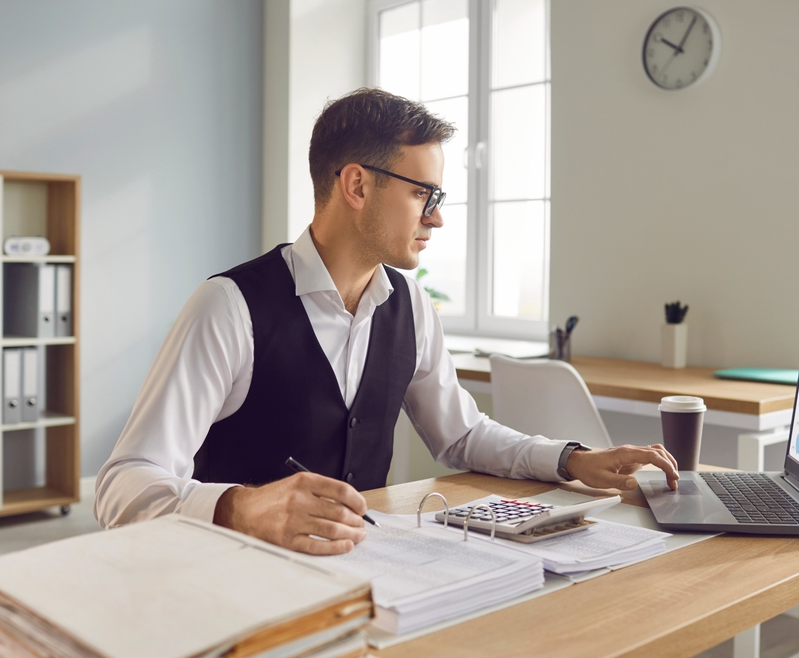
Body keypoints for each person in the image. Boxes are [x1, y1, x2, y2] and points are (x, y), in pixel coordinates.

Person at [94, 88, 679, 555]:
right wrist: (239, 507)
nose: (439, 219)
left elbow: (462, 435)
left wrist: (572, 460)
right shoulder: (230, 306)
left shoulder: (409, 304)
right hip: (230, 578)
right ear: (356, 184)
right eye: (425, 194)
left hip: (364, 575)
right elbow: (122, 484)